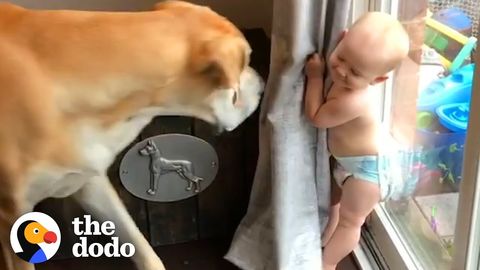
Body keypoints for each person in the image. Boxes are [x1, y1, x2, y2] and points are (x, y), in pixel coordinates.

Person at [303, 12, 410, 269]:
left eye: (355, 72)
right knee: (334, 204)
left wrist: (316, 77)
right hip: (350, 162)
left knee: (352, 222)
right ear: (342, 38)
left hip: (368, 172)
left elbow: (317, 117)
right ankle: (326, 237)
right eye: (341, 57)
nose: (340, 71)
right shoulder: (346, 78)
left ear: (377, 79)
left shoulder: (355, 100)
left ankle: (328, 264)